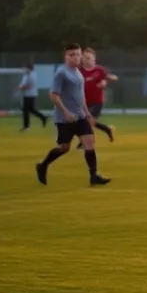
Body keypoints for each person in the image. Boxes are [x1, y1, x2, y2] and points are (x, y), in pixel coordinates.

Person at [36, 44, 110, 187]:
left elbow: (80, 95)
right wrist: (65, 112)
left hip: (80, 116)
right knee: (64, 147)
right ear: (66, 56)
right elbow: (53, 95)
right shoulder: (61, 73)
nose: (76, 57)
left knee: (89, 143)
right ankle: (42, 165)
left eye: (78, 54)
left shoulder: (78, 73)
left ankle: (93, 176)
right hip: (64, 118)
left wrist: (87, 112)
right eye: (72, 55)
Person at [80, 48, 117, 144]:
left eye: (89, 58)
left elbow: (114, 77)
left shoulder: (99, 70)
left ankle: (84, 143)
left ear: (94, 59)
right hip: (84, 102)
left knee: (88, 121)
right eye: (84, 58)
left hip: (97, 101)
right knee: (87, 122)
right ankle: (107, 129)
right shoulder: (79, 71)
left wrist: (105, 81)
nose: (86, 60)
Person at [17, 63, 48, 131]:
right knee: (28, 110)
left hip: (30, 95)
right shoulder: (27, 75)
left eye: (25, 68)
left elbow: (29, 85)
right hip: (26, 95)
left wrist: (21, 87)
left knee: (27, 110)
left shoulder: (32, 75)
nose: (24, 69)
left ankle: (27, 126)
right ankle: (42, 118)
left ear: (29, 68)